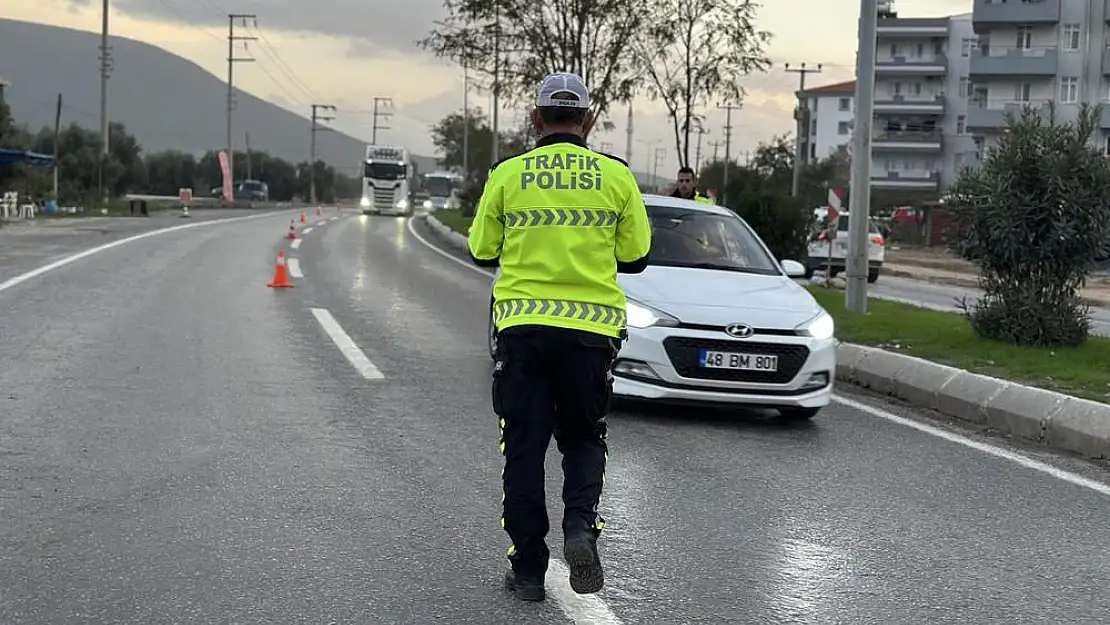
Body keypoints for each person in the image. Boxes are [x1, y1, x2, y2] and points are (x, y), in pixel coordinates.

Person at [467, 72, 653, 603]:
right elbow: (636, 255)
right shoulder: (615, 176)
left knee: (522, 448)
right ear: (588, 120)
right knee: (583, 438)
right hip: (591, 335)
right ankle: (579, 529)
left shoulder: (509, 173)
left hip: (523, 331)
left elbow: (482, 249)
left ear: (536, 118)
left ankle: (528, 571)